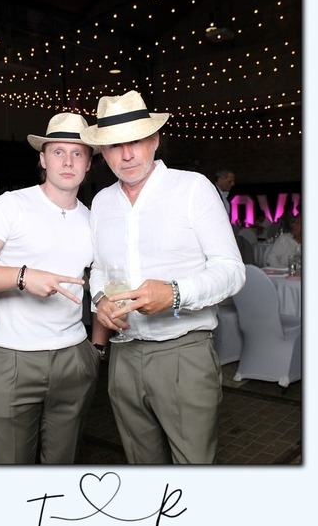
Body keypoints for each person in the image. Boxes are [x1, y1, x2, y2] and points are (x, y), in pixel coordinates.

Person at [80, 90, 245, 465]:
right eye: (114, 145)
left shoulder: (192, 188)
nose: (126, 155)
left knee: (192, 468)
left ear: (154, 140)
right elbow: (100, 269)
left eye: (136, 141)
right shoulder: (102, 202)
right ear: (102, 152)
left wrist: (174, 293)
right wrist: (100, 301)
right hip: (123, 355)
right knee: (142, 466)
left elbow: (232, 270)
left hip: (183, 353)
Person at [0, 113, 101, 464]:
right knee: (11, 468)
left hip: (74, 357)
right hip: (14, 358)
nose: (67, 161)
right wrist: (23, 276)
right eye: (58, 152)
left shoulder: (92, 219)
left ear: (88, 164)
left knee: (62, 465)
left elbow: (104, 282)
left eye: (77, 153)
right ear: (42, 159)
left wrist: (96, 349)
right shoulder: (11, 206)